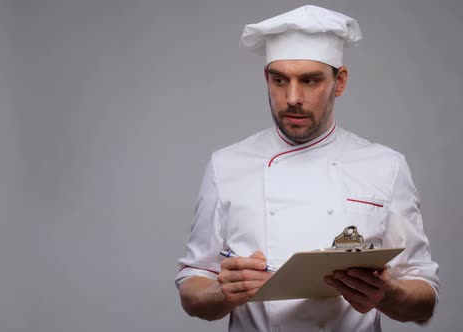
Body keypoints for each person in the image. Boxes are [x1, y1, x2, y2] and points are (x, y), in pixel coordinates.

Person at [175, 5, 440, 331]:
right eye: (279, 80)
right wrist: (222, 292)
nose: (292, 97)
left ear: (339, 81)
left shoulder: (386, 167)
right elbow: (193, 288)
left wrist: (386, 293)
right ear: (266, 78)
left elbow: (423, 298)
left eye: (310, 80)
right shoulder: (226, 165)